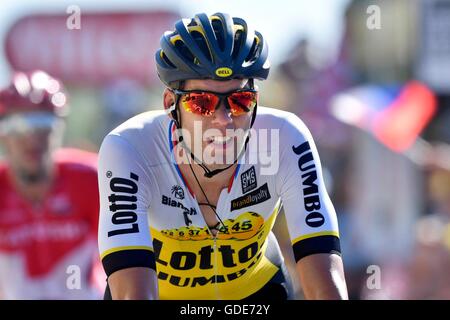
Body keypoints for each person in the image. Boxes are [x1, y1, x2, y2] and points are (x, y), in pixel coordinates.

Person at [98, 12, 348, 300]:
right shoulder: (129, 149)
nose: (224, 120)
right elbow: (133, 295)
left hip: (256, 295)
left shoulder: (285, 140)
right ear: (171, 105)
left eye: (240, 101)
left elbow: (327, 287)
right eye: (202, 103)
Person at [0, 70, 103, 299]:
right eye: (17, 125)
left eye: (43, 123)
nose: (32, 136)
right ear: (3, 134)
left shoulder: (91, 179)